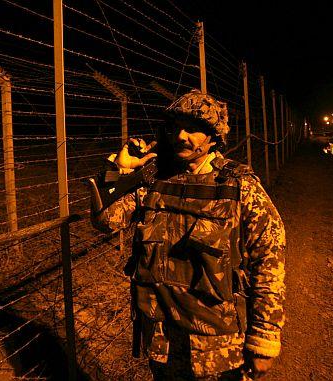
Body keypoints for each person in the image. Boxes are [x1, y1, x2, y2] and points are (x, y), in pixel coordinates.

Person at [89, 89, 286, 380]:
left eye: (193, 129)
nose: (182, 136)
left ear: (214, 137)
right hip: (162, 338)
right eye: (176, 128)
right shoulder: (156, 180)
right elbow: (106, 220)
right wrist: (118, 169)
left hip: (218, 348)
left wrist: (264, 339)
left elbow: (268, 259)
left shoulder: (238, 186)